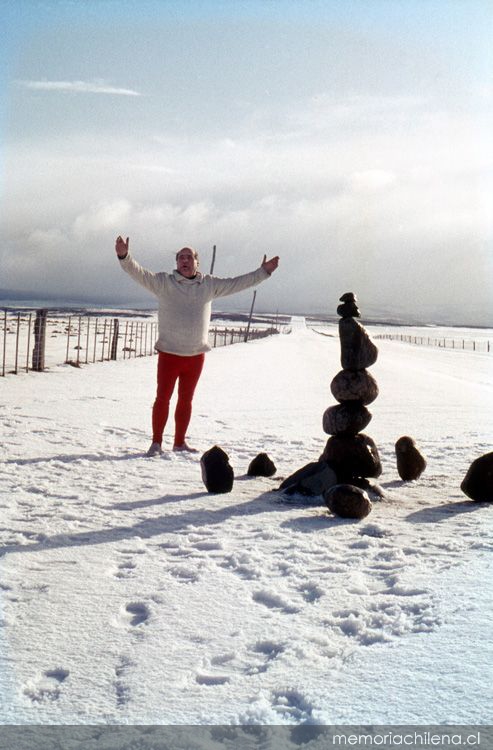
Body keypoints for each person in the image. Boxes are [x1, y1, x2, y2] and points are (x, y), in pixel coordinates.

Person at [115, 236, 279, 456]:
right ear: (176, 262)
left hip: (195, 355)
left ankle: (180, 442)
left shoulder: (209, 285)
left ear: (196, 262)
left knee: (186, 400)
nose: (184, 260)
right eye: (181, 257)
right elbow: (138, 272)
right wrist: (124, 256)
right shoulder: (164, 282)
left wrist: (263, 272)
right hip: (169, 353)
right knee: (162, 398)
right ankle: (156, 443)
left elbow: (237, 283)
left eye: (189, 257)